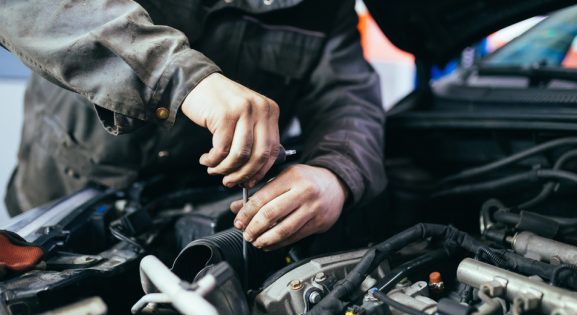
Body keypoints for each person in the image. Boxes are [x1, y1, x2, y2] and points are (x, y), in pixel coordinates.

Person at [1, 0, 386, 250]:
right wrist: (179, 77)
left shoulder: (323, 9)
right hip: (60, 204)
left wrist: (334, 173)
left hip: (196, 220)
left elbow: (348, 98)